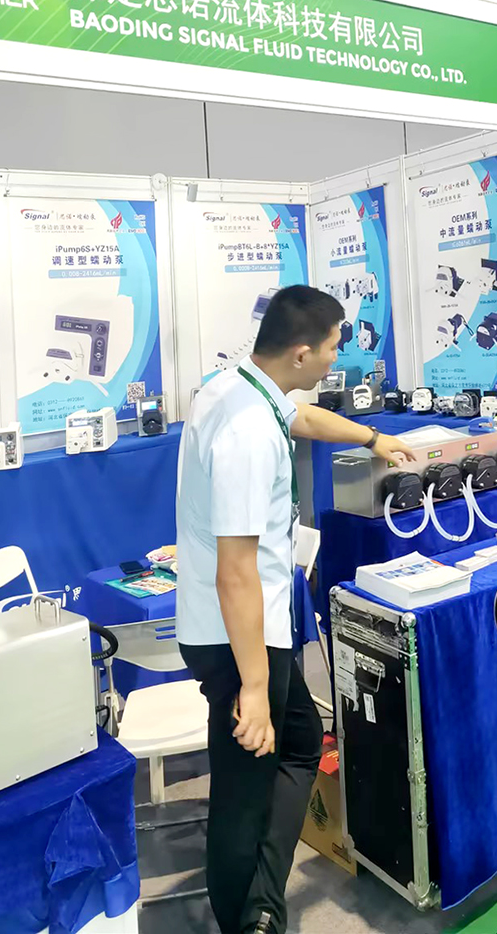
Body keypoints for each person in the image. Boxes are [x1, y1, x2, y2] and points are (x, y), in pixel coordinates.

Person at [175, 285, 416, 934]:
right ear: (303, 354)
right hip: (239, 635)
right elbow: (236, 572)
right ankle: (250, 918)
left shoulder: (238, 387)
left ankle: (258, 904)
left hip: (242, 625)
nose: (339, 358)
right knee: (244, 788)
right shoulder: (249, 434)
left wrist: (373, 437)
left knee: (302, 744)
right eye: (334, 347)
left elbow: (301, 418)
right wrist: (255, 687)